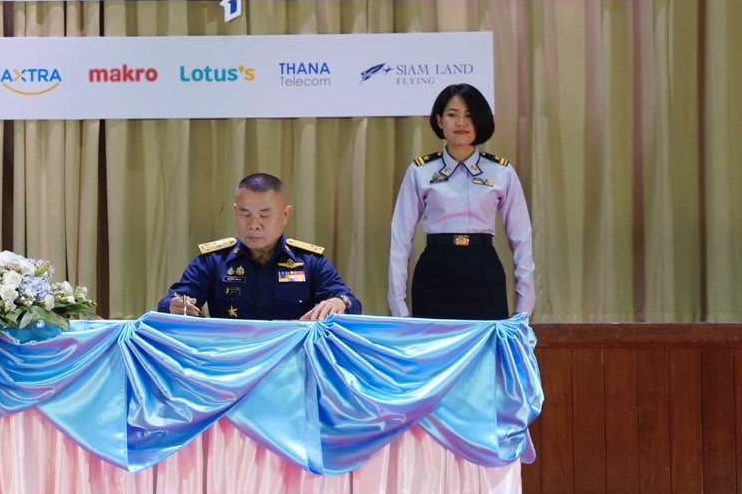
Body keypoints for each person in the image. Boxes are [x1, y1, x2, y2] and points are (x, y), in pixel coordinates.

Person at [388, 83, 535, 319]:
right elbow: (400, 237)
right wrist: (398, 304)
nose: (461, 123)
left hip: (484, 273)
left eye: (469, 115)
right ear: (439, 120)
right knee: (434, 343)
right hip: (434, 274)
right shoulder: (420, 171)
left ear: (481, 121)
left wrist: (525, 305)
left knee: (485, 343)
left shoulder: (501, 171)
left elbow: (522, 239)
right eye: (452, 115)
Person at [159, 172, 361, 321]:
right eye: (245, 214)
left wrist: (340, 302)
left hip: (291, 358)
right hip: (230, 356)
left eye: (264, 215)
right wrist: (175, 305)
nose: (254, 224)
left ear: (285, 215)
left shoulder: (310, 262)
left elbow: (350, 302)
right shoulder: (213, 261)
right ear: (235, 212)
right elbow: (171, 301)